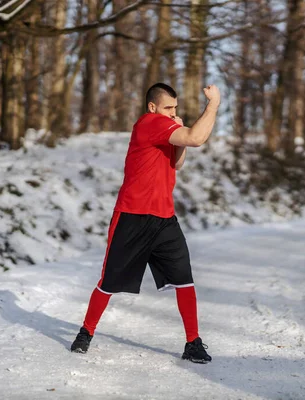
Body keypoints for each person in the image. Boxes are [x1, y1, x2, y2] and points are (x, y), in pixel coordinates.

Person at [70, 82, 220, 364]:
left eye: (175, 108)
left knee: (184, 280)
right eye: (168, 108)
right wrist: (213, 104)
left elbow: (177, 163)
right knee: (109, 281)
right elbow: (197, 138)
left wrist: (181, 134)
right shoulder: (150, 123)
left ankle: (193, 342)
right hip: (132, 216)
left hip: (164, 218)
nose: (172, 113)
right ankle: (85, 332)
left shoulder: (165, 128)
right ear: (152, 107)